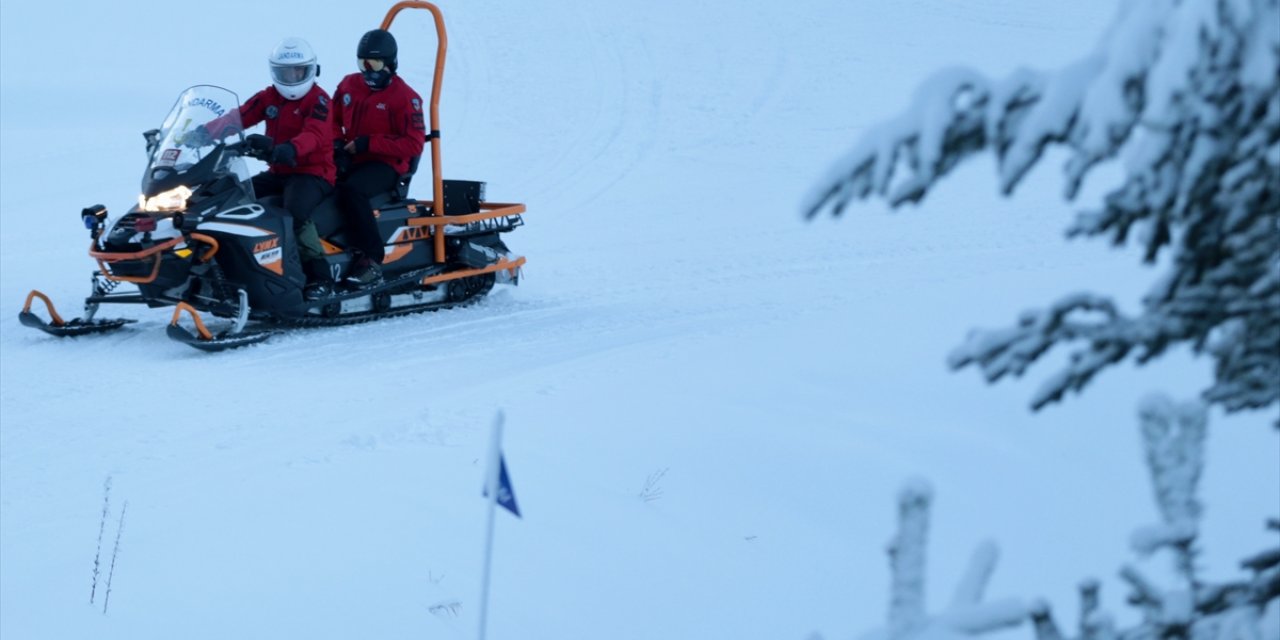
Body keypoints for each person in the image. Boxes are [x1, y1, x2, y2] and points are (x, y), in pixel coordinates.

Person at [189, 37, 337, 300]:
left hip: (313, 173)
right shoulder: (269, 98)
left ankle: (318, 276)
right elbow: (239, 116)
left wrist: (289, 149)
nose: (291, 78)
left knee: (295, 212)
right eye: (285, 73)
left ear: (311, 70)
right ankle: (223, 266)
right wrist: (202, 134)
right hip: (279, 172)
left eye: (298, 72)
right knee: (229, 198)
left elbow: (314, 135)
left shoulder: (320, 101)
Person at [331, 28, 427, 287]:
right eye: (362, 63)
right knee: (319, 180)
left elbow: (414, 143)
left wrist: (368, 144)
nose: (367, 70)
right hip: (353, 156)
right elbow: (330, 118)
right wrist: (337, 146)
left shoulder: (406, 99)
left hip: (387, 164)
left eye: (374, 63)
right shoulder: (349, 85)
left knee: (353, 190)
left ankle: (371, 260)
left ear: (390, 63)